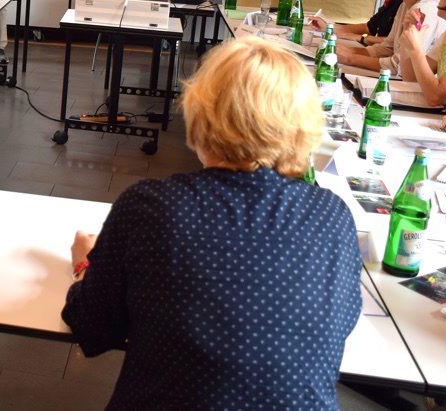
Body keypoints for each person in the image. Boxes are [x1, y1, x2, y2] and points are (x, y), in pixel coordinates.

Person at [62, 36, 361, 409]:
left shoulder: (150, 207)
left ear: (202, 112)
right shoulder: (333, 216)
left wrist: (85, 265)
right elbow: (340, 324)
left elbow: (92, 328)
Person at [336, 0, 446, 78]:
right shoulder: (405, 5)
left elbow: (397, 66)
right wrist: (349, 51)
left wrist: (350, 58)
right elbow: (388, 48)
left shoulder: (424, 11)